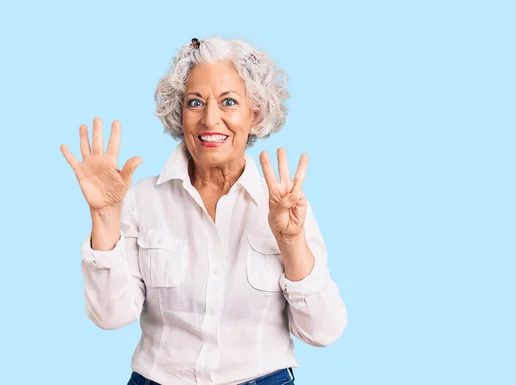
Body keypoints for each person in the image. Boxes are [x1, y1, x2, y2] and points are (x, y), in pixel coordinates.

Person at [60, 36, 347, 385]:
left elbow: (323, 331)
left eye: (229, 102)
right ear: (179, 114)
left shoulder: (285, 207)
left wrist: (290, 241)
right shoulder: (143, 199)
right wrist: (104, 215)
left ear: (255, 115)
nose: (210, 119)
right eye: (195, 102)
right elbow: (110, 316)